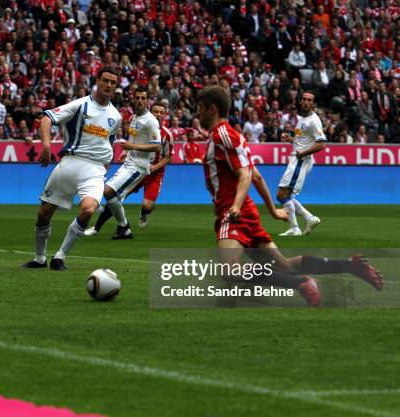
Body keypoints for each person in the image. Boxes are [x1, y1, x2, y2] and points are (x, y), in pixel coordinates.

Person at [196, 85, 382, 307]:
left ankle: (301, 284)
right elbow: (256, 176)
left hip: (235, 213)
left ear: (212, 109)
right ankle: (351, 266)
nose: (198, 114)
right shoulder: (230, 137)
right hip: (246, 212)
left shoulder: (222, 136)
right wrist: (273, 210)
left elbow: (246, 174)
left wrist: (235, 206)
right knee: (284, 267)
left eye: (201, 109)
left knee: (229, 271)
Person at [21, 67, 122, 271]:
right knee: (44, 214)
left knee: (88, 209)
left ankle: (60, 256)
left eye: (113, 82)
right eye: (105, 80)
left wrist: (105, 168)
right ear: (97, 80)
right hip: (69, 164)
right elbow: (46, 119)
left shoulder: (116, 116)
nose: (109, 85)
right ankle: (40, 258)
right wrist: (47, 146)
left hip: (94, 170)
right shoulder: (80, 105)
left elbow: (109, 143)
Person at [84, 87, 161, 239]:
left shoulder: (151, 120)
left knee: (108, 192)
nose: (139, 101)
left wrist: (133, 147)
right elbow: (133, 139)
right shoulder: (134, 117)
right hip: (128, 163)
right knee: (113, 197)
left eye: (142, 98)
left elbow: (157, 146)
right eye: (137, 98)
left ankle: (123, 226)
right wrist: (126, 152)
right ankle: (123, 228)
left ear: (147, 101)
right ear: (133, 99)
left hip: (138, 166)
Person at [277, 91, 325, 236]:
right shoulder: (302, 119)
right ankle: (309, 218)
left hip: (301, 160)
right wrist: (290, 139)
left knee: (281, 194)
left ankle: (295, 228)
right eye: (303, 99)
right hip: (297, 159)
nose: (305, 102)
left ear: (313, 104)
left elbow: (321, 144)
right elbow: (303, 140)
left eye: (309, 100)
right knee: (287, 195)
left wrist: (302, 154)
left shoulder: (313, 121)